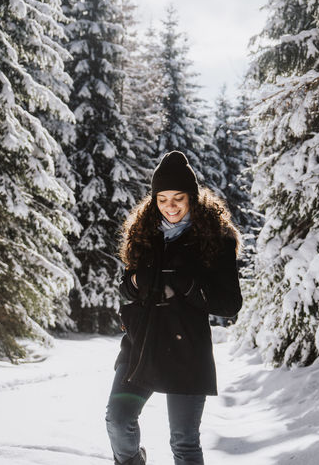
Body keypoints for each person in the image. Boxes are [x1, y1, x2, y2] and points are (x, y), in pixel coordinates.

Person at [105, 150, 243, 465]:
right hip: (142, 345)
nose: (170, 206)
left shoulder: (215, 239)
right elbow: (127, 285)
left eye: (178, 198)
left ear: (192, 198)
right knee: (117, 420)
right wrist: (137, 280)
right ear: (154, 200)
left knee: (183, 443)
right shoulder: (146, 234)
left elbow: (230, 304)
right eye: (163, 199)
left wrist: (191, 286)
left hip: (187, 351)